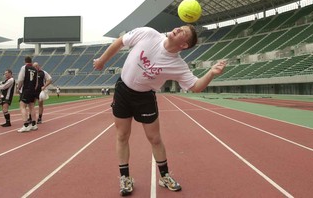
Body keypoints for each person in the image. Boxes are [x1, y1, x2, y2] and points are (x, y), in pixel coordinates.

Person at [93, 25, 226, 196]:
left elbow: (195, 86)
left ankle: (164, 176)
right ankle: (125, 178)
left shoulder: (178, 64)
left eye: (183, 32)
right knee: (122, 135)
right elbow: (120, 42)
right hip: (123, 91)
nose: (178, 29)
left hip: (145, 97)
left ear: (184, 45)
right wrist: (102, 61)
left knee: (155, 138)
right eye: (180, 27)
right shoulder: (149, 34)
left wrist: (211, 73)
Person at [17, 56, 39, 133]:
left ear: (25, 61)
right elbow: (36, 83)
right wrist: (33, 89)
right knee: (32, 106)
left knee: (22, 106)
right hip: (33, 90)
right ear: (31, 61)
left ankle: (25, 125)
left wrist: (18, 88)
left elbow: (20, 79)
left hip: (26, 89)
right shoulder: (35, 69)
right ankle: (34, 124)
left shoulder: (24, 67)